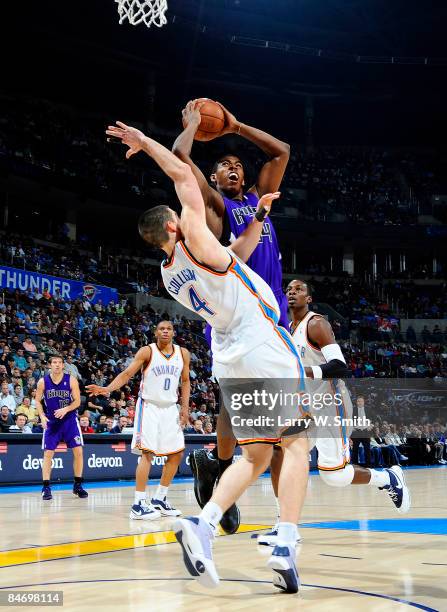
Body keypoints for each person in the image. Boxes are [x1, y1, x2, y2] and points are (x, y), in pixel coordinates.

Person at [107, 120, 308, 593]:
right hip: (261, 341)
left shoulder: (167, 273)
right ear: (174, 223)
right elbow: (181, 171)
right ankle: (286, 540)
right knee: (297, 441)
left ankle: (205, 523)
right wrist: (147, 142)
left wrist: (258, 216)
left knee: (257, 454)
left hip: (229, 356)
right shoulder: (193, 230)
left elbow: (233, 255)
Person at [173, 100, 291, 532]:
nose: (233, 169)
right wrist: (190, 127)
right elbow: (181, 161)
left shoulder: (261, 197)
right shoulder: (219, 208)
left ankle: (219, 466)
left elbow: (281, 152)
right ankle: (223, 469)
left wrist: (236, 126)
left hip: (272, 314)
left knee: (265, 414)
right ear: (217, 179)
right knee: (240, 405)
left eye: (238, 164)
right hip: (234, 314)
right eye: (223, 165)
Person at [257, 280, 411, 546]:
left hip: (331, 404)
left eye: (299, 289)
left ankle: (387, 477)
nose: (292, 292)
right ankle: (284, 524)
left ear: (309, 298)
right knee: (279, 454)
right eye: (289, 289)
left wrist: (307, 372)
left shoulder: (316, 324)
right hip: (304, 407)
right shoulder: (288, 329)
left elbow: (340, 366)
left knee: (335, 476)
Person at [87, 321, 191, 520]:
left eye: (168, 329)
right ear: (155, 332)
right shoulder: (147, 351)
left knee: (176, 454)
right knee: (147, 454)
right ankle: (138, 503)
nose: (165, 331)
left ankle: (160, 498)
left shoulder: (182, 353)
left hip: (170, 408)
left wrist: (184, 408)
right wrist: (107, 389)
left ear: (173, 332)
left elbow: (185, 381)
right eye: (161, 328)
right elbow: (127, 374)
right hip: (149, 406)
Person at [35, 355, 88, 500]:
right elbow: (37, 401)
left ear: (63, 365)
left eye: (59, 363)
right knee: (48, 454)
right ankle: (46, 487)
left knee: (78, 451)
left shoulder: (71, 380)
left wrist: (66, 409)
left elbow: (77, 401)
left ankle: (78, 485)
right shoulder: (42, 382)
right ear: (49, 365)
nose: (57, 365)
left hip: (69, 420)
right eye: (54, 362)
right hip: (52, 422)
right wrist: (41, 415)